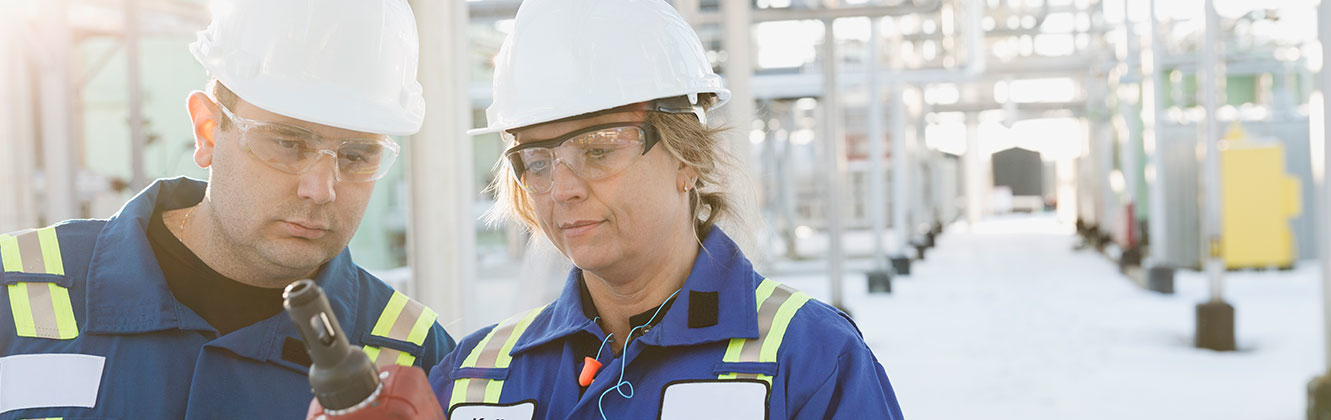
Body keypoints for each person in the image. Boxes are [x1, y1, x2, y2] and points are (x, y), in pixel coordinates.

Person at [426, 0, 903, 418]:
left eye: (597, 149)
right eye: (536, 161)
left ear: (689, 156)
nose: (562, 189)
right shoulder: (474, 378)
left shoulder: (811, 359)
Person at [0, 0, 454, 418]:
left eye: (357, 156)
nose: (321, 190)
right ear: (208, 131)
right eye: (287, 143)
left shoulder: (418, 356)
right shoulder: (13, 291)